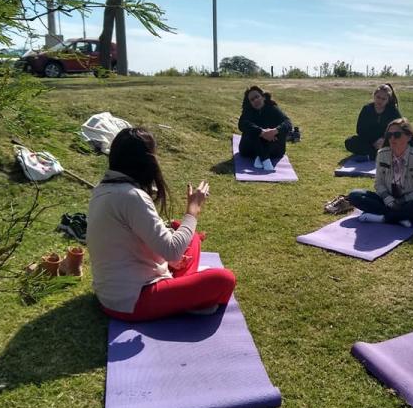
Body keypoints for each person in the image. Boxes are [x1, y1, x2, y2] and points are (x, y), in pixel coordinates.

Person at [87, 127, 236, 321]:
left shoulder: (102, 190)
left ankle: (182, 290)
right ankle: (187, 298)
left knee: (192, 239)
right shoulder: (132, 197)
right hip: (133, 299)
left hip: (118, 290)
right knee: (223, 280)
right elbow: (172, 251)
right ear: (147, 161)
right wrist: (193, 209)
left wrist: (171, 255)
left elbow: (141, 241)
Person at [347, 118, 413, 228]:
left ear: (409, 137)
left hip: (408, 201)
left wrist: (401, 201)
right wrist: (388, 199)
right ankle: (399, 217)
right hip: (386, 200)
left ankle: (383, 218)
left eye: (397, 134)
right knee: (354, 195)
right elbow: (378, 183)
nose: (392, 138)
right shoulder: (382, 154)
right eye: (389, 135)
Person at [238, 85, 293, 171]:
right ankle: (265, 159)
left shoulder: (273, 108)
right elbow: (241, 124)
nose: (255, 100)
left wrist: (275, 131)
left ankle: (260, 157)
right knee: (252, 132)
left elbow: (288, 123)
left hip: (273, 149)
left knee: (280, 132)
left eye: (257, 97)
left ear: (263, 97)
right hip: (250, 150)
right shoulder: (248, 111)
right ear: (250, 103)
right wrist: (261, 132)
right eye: (252, 100)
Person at [345, 83, 401, 160]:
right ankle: (375, 154)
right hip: (369, 142)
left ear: (388, 100)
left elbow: (399, 129)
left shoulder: (393, 111)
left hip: (387, 142)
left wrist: (385, 139)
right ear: (374, 96)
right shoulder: (366, 109)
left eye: (383, 99)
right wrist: (374, 141)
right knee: (350, 142)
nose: (380, 101)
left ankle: (374, 154)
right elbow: (360, 130)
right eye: (378, 97)